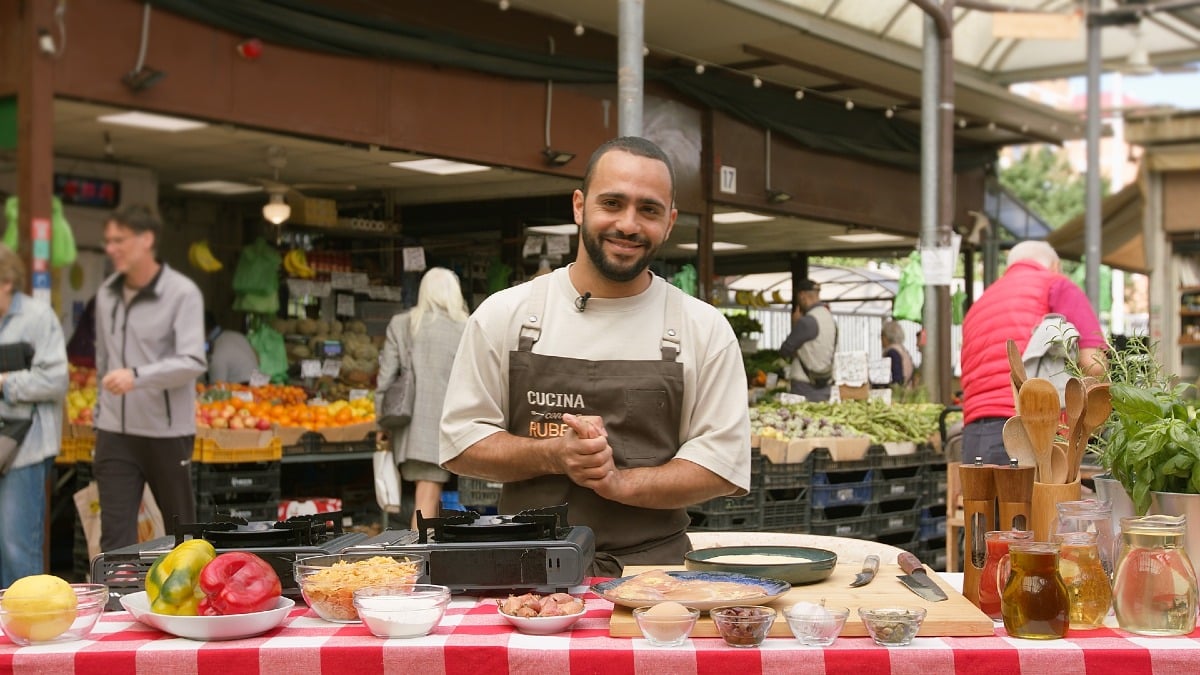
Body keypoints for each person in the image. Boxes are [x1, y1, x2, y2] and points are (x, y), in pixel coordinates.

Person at [439, 137, 752, 576]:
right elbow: (461, 444)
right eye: (612, 203)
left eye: (649, 210)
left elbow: (722, 466)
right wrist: (553, 455)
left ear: (669, 222)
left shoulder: (703, 329)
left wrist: (619, 482)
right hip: (522, 572)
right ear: (579, 206)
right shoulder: (505, 315)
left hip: (655, 579)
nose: (628, 224)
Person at [94, 204, 206, 551]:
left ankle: (189, 602)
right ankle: (112, 600)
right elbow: (103, 359)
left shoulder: (182, 293)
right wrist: (100, 414)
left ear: (146, 240)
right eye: (108, 240)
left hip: (166, 433)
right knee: (114, 536)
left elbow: (192, 360)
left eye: (119, 240)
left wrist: (138, 376)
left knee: (182, 533)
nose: (111, 248)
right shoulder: (106, 294)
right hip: (115, 433)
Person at [960, 240, 1106, 465]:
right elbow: (1093, 363)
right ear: (1055, 265)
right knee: (1042, 501)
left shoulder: (980, 304)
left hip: (974, 436)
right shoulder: (1057, 285)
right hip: (1031, 429)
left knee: (986, 501)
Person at [377, 267, 468, 530]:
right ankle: (419, 559)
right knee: (427, 499)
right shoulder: (465, 326)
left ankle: (421, 555)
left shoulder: (402, 324)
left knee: (427, 498)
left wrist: (381, 423)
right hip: (449, 426)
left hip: (411, 427)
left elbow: (385, 378)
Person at [0, 245, 68, 586]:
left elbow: (56, 380)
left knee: (16, 546)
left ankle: (24, 628)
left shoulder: (38, 317)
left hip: (25, 450)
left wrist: (5, 383)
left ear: (7, 282)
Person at [779, 279, 837, 401]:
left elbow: (785, 350)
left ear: (802, 295)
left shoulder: (807, 321)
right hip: (826, 383)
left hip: (804, 385)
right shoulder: (830, 319)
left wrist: (796, 324)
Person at [204, 311, 259, 385]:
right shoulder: (237, 335)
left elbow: (216, 389)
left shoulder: (217, 353)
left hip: (241, 389)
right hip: (259, 386)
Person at [881, 320, 915, 388]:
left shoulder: (892, 352)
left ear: (886, 336)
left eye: (882, 336)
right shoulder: (902, 350)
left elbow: (896, 378)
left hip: (899, 393)